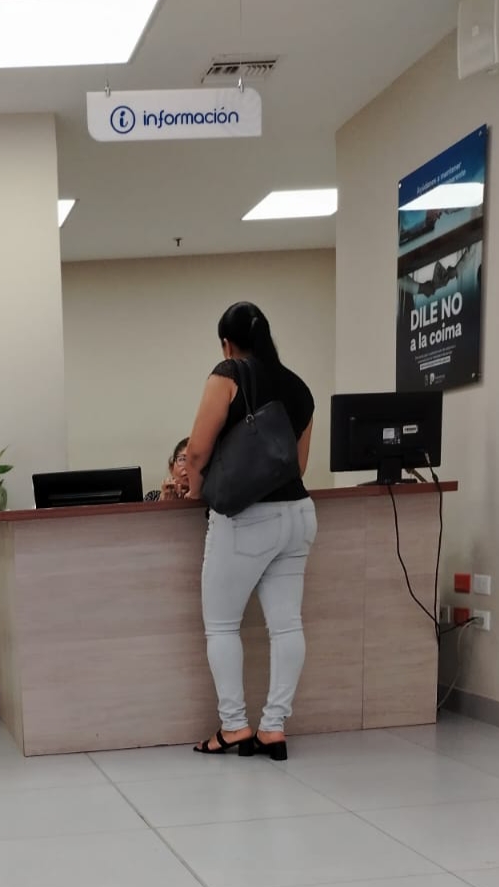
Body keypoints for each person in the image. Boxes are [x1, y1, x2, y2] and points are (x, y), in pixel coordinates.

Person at [184, 302, 316, 761]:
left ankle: (234, 726)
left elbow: (196, 451)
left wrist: (196, 491)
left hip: (246, 519)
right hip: (299, 514)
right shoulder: (299, 387)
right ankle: (273, 728)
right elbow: (299, 465)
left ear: (226, 343)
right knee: (287, 625)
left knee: (222, 625)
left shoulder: (228, 374)